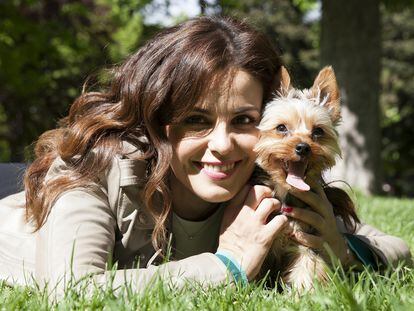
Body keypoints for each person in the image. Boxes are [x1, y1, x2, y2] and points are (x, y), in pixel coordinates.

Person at [0, 16, 411, 293]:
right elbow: (69, 291)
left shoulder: (267, 177)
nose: (222, 144)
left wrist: (341, 249)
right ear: (158, 116)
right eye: (196, 119)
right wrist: (227, 265)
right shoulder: (91, 169)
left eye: (244, 120)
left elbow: (396, 248)